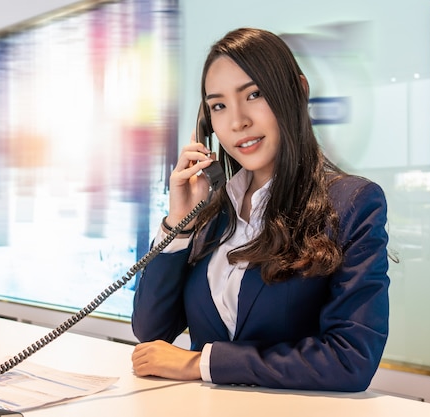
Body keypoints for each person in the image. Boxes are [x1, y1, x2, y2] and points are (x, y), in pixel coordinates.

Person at [131, 27, 390, 392]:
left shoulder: (352, 204)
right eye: (218, 106)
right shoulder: (211, 212)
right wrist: (179, 225)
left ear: (297, 92)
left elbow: (351, 359)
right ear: (206, 125)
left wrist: (201, 363)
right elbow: (151, 332)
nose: (237, 122)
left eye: (254, 94)